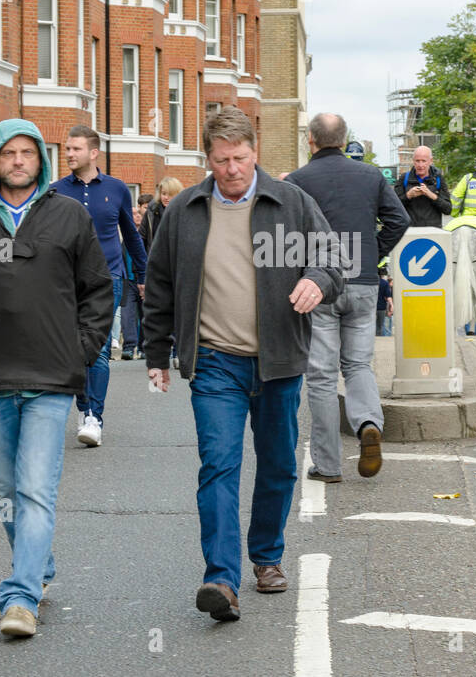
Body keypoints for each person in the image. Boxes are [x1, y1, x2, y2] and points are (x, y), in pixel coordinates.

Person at [143, 107, 341, 621]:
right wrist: (157, 353)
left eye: (242, 158)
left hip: (278, 360)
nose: (233, 169)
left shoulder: (290, 202)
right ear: (207, 158)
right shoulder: (186, 210)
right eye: (223, 159)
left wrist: (317, 280)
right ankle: (221, 579)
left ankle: (267, 558)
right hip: (214, 362)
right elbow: (159, 283)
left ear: (256, 153)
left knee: (276, 465)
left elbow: (332, 259)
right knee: (219, 465)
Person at [0, 119, 114, 637]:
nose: (17, 161)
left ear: (42, 160)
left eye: (26, 153)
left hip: (50, 379)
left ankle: (20, 596)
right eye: (7, 153)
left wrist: (79, 352)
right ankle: (38, 565)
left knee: (35, 489)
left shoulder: (70, 216)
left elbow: (98, 292)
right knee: (5, 489)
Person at [287, 112, 408, 483]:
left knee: (322, 376)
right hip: (364, 281)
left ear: (311, 140)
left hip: (319, 284)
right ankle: (369, 423)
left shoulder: (297, 181)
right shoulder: (371, 175)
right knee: (357, 365)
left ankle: (328, 465)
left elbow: (287, 237)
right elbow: (398, 220)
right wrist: (374, 254)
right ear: (344, 139)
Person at [52, 125, 148, 447]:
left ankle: (95, 416)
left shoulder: (118, 189)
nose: (68, 154)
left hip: (109, 278)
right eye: (67, 148)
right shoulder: (55, 190)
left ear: (93, 152)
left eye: (75, 149)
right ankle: (83, 407)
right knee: (76, 351)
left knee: (102, 351)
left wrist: (144, 276)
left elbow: (131, 235)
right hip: (67, 281)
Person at [395, 145, 451, 227]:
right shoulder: (404, 178)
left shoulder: (438, 179)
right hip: (409, 231)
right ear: (413, 161)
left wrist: (431, 195)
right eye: (417, 161)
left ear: (431, 161)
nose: (420, 165)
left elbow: (448, 210)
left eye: (424, 161)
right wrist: (408, 195)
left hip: (432, 231)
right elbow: (394, 207)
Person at [376, 270, 394, 336]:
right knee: (380, 325)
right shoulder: (385, 283)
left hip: (371, 307)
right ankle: (378, 340)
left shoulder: (371, 282)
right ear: (383, 275)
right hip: (381, 308)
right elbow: (388, 297)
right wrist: (392, 305)